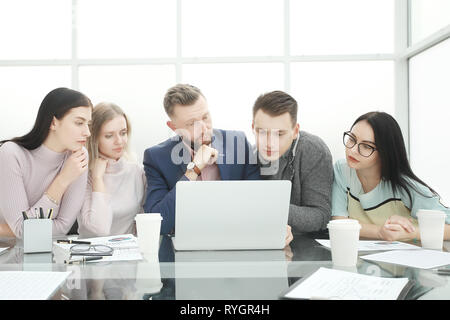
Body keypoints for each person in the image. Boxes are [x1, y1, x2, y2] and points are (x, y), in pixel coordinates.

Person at [143, 84, 263, 237]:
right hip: (186, 246)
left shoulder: (238, 143)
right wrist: (193, 170)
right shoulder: (156, 158)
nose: (204, 128)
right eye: (192, 123)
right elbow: (157, 225)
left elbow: (258, 203)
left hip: (236, 238)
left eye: (205, 117)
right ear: (173, 126)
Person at [331, 111, 450, 241]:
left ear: (385, 152)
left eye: (366, 146)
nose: (352, 150)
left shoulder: (406, 187)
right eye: (351, 139)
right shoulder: (342, 170)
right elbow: (339, 223)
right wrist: (380, 232)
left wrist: (411, 233)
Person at [0, 87, 92, 238]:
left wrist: (23, 228)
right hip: (8, 254)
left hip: (49, 253)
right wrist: (63, 180)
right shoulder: (11, 154)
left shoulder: (79, 156)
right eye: (79, 123)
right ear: (53, 122)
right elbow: (22, 230)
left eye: (88, 124)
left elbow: (62, 227)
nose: (87, 132)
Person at [252, 91, 333, 235]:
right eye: (262, 132)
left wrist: (273, 209)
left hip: (306, 246)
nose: (270, 143)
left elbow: (321, 216)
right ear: (253, 128)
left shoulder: (314, 150)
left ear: (295, 131)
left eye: (279, 134)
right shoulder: (250, 155)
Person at [78, 102, 146, 237]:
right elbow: (99, 229)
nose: (119, 141)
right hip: (91, 253)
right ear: (94, 138)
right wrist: (97, 179)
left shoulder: (137, 172)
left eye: (123, 133)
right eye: (109, 135)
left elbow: (143, 225)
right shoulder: (82, 175)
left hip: (128, 253)